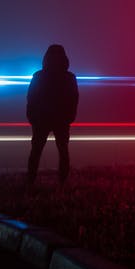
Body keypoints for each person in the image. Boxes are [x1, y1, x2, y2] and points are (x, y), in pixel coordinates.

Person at [26, 44, 79, 185]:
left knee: (36, 151)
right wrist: (70, 117)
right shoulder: (69, 77)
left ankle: (30, 181)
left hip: (41, 118)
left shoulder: (39, 76)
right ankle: (63, 182)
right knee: (63, 151)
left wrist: (32, 116)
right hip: (61, 119)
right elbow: (74, 98)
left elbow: (31, 97)